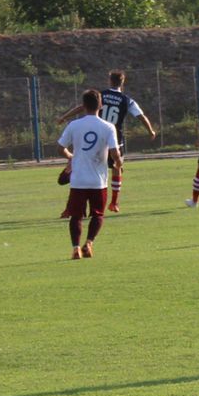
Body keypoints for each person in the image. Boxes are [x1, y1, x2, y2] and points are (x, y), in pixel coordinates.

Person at [57, 70, 157, 213]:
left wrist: (65, 117)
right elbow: (141, 116)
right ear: (122, 82)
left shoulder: (101, 95)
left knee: (81, 169)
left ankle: (69, 208)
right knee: (117, 168)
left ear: (110, 81)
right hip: (114, 139)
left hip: (96, 137)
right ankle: (114, 203)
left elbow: (82, 107)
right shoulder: (127, 100)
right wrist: (150, 130)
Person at [56, 89, 120, 259]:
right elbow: (114, 153)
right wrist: (119, 164)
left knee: (75, 216)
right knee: (97, 214)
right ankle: (89, 243)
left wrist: (71, 156)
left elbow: (60, 147)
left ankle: (76, 248)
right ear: (100, 105)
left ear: (83, 106)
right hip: (98, 181)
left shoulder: (74, 125)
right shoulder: (108, 127)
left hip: (78, 180)